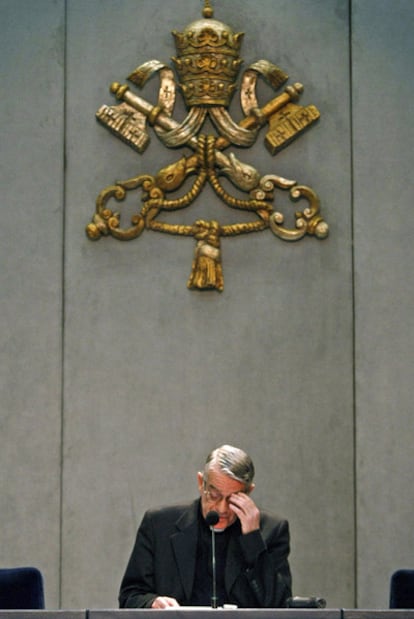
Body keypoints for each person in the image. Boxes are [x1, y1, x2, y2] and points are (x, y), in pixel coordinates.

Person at [119, 444, 292, 608]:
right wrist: (153, 603)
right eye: (214, 495)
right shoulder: (159, 524)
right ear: (201, 482)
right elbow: (130, 596)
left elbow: (279, 605)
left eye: (233, 498)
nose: (222, 509)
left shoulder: (271, 529)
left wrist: (253, 539)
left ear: (249, 492)